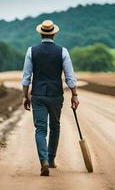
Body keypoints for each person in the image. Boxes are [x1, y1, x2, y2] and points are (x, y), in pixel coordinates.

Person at [22, 20, 79, 176]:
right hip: (55, 95)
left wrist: (25, 96)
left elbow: (26, 77)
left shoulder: (31, 51)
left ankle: (44, 161)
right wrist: (74, 95)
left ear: (40, 33)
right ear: (54, 34)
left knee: (40, 129)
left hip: (38, 95)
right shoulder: (63, 52)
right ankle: (51, 159)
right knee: (55, 127)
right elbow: (70, 77)